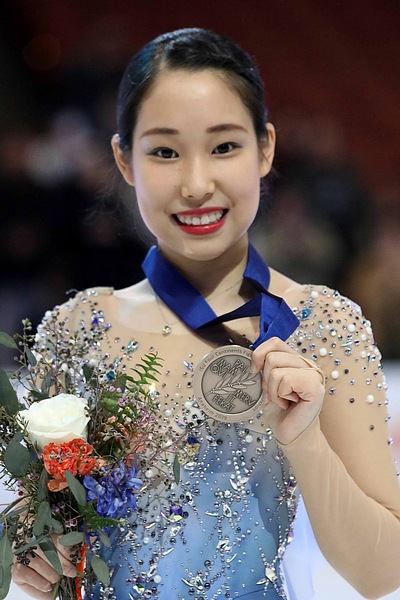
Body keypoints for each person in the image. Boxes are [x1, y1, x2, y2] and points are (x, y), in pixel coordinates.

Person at [12, 28, 400, 600]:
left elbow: (382, 574)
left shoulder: (325, 326)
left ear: (265, 148)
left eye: (224, 147)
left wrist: (305, 440)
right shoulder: (76, 330)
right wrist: (30, 551)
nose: (197, 184)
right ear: (124, 159)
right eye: (165, 151)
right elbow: (44, 539)